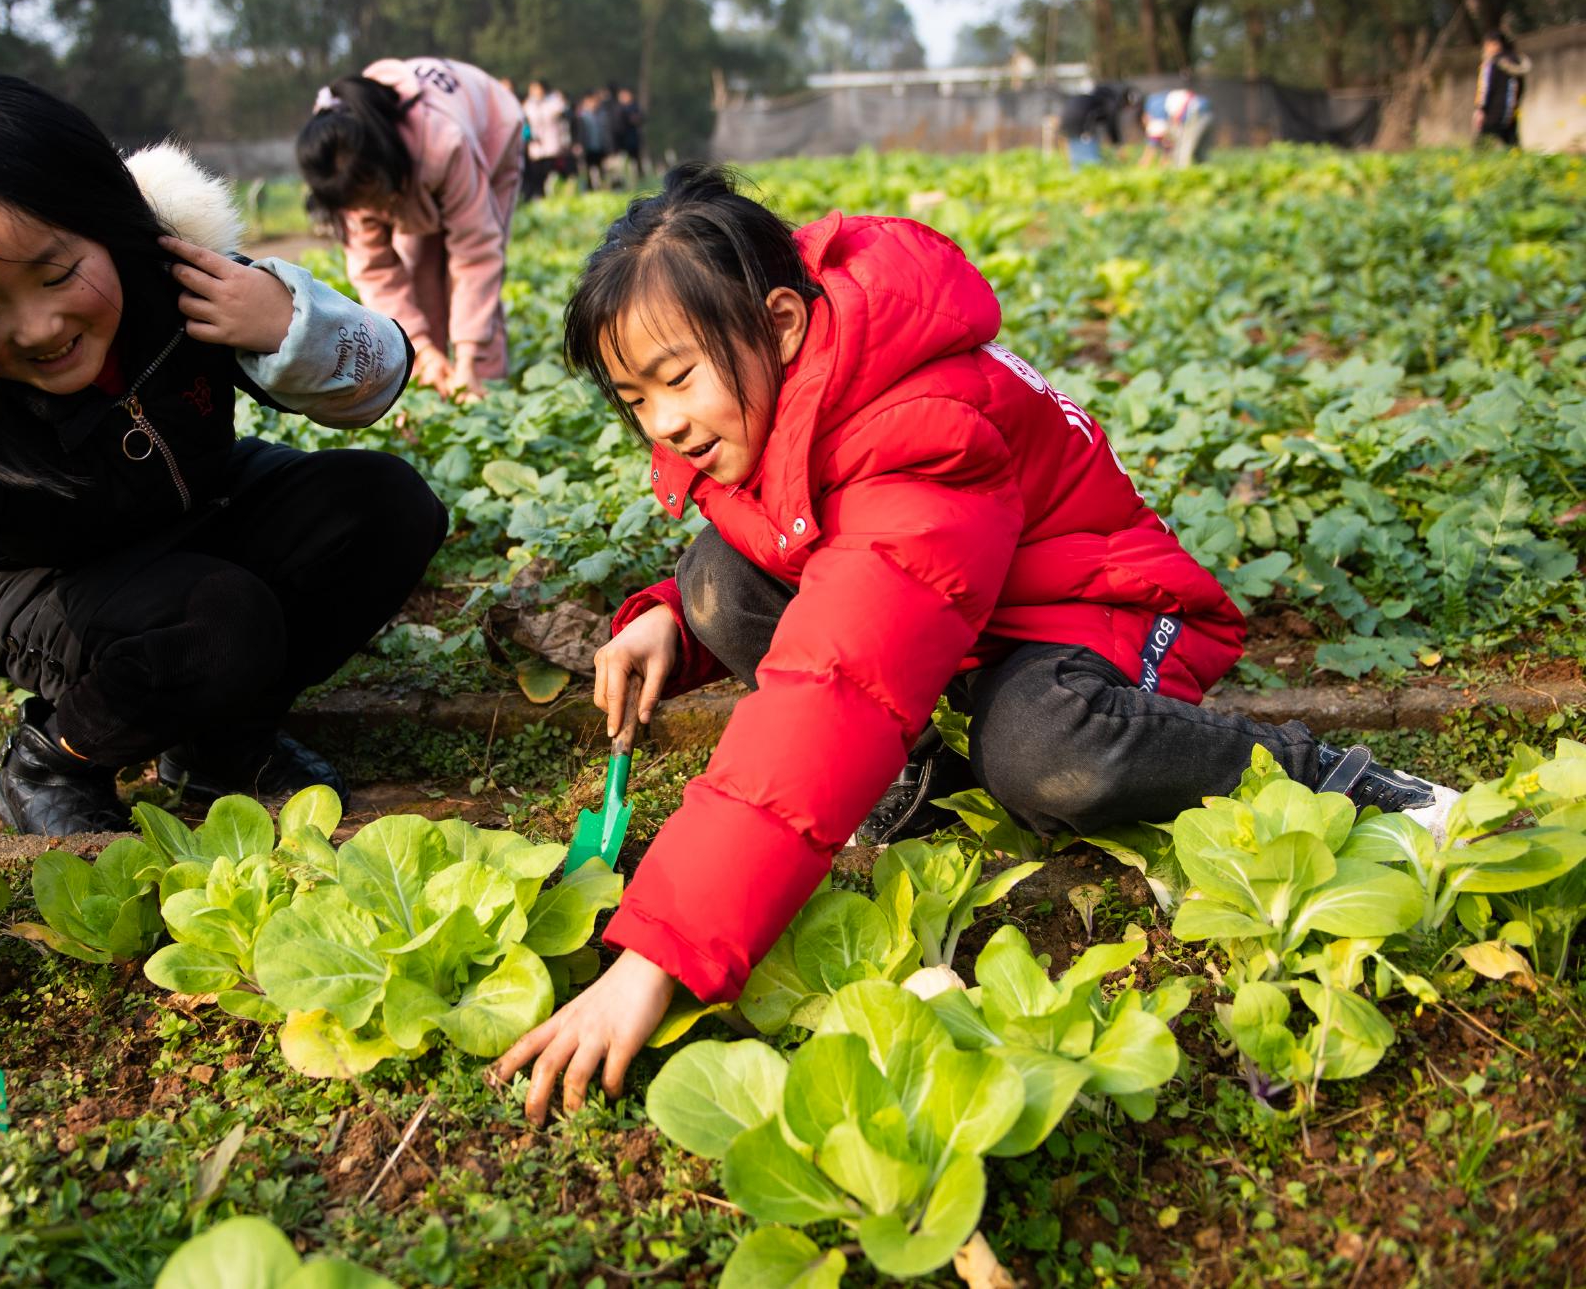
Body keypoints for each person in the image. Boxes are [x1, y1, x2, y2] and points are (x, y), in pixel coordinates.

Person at [492, 164, 1463, 1123]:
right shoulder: (778, 384)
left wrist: (659, 956)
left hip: (1089, 606)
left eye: (676, 379)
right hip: (953, 610)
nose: (661, 421)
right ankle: (924, 769)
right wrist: (672, 616)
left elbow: (831, 686)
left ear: (780, 323)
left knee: (1042, 753)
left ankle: (1335, 779)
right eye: (632, 398)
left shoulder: (918, 426)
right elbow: (803, 549)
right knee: (711, 579)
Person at [0, 74, 445, 1050]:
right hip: (52, 595)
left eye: (57, 275)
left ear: (105, 223)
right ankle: (56, 753)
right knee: (216, 617)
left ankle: (221, 742)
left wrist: (287, 326)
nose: (38, 325)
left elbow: (377, 373)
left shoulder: (174, 280)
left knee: (385, 507)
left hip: (200, 518)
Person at [295, 57, 523, 401]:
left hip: (492, 134)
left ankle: (484, 391)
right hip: (406, 171)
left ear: (384, 168)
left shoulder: (443, 143)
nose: (368, 211)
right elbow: (376, 272)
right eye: (357, 204)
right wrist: (422, 350)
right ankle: (430, 387)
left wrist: (468, 357)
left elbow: (476, 251)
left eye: (371, 197)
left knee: (472, 287)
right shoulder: (342, 173)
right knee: (421, 275)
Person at [1472, 31, 1530, 148]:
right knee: (1512, 146)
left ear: (1496, 44)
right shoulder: (1516, 62)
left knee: (1481, 147)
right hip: (1511, 112)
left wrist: (1480, 109)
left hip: (1492, 113)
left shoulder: (1491, 63)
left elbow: (1485, 87)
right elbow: (1521, 89)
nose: (1485, 48)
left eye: (1487, 44)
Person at [1062, 82, 1134, 167]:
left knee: (1078, 159)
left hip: (1069, 124)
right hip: (1081, 128)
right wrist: (1118, 147)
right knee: (1090, 163)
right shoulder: (1110, 103)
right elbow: (1111, 125)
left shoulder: (1092, 100)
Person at [1139, 86, 1212, 169]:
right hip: (1206, 110)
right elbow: (1168, 141)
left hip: (1194, 111)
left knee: (1181, 152)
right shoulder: (1161, 100)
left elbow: (1154, 138)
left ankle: (1180, 174)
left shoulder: (1152, 105)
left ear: (1144, 116)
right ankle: (1207, 171)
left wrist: (1145, 161)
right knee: (1199, 153)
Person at [521, 77, 570, 202]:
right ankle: (539, 196)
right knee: (537, 174)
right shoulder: (527, 105)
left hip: (552, 144)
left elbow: (563, 118)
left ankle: (553, 197)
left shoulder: (553, 103)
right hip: (536, 146)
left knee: (550, 172)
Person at [614, 87, 646, 181]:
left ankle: (638, 180)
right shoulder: (617, 108)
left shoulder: (635, 107)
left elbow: (641, 118)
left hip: (633, 140)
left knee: (635, 162)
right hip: (621, 141)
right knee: (622, 164)